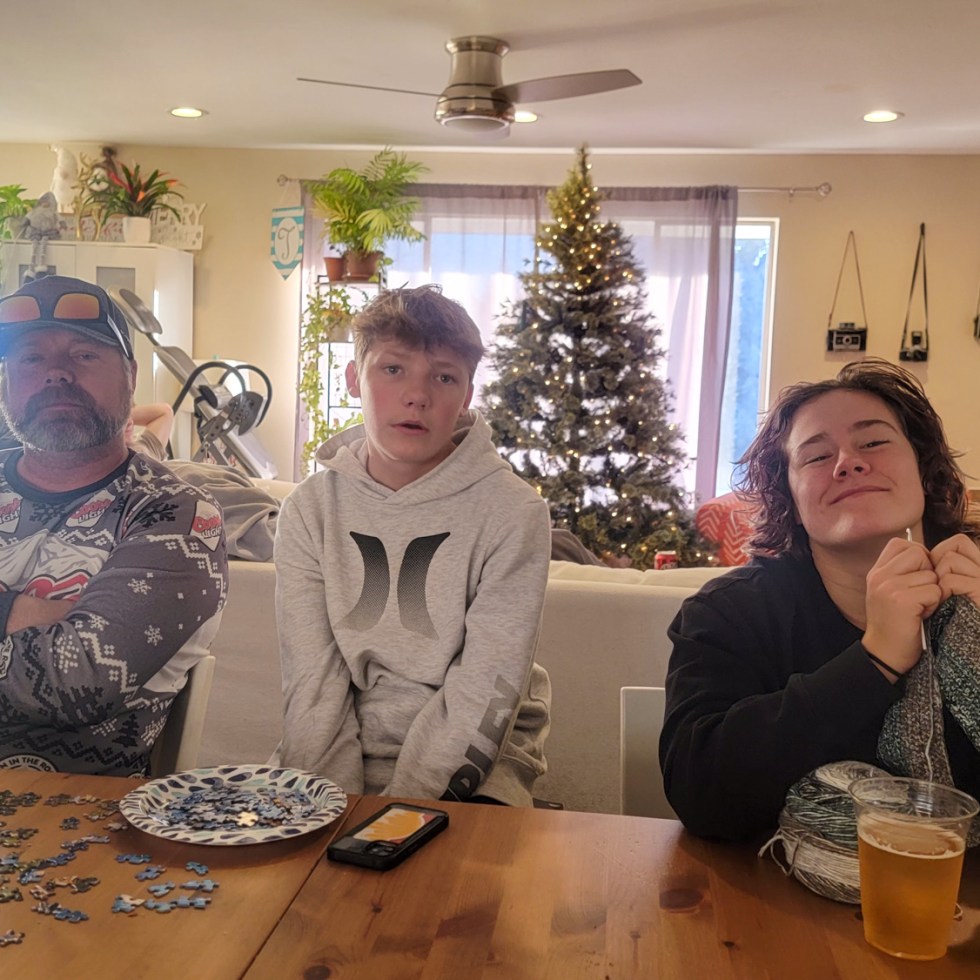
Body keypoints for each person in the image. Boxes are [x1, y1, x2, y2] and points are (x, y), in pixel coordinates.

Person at [660, 358, 980, 840]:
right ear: (789, 500)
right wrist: (874, 661)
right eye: (815, 456)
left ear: (924, 470)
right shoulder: (728, 612)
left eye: (873, 442)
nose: (848, 462)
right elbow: (699, 790)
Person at [274, 284, 552, 805]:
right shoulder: (309, 510)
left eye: (444, 377)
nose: (417, 395)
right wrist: (328, 808)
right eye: (393, 369)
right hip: (340, 756)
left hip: (477, 760)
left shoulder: (515, 512)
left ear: (466, 396)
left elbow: (485, 689)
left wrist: (398, 816)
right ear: (354, 379)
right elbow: (313, 682)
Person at [0, 275, 228, 775]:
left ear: (130, 375)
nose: (56, 374)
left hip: (64, 810)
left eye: (83, 355)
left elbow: (79, 679)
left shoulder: (176, 514)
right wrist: (31, 614)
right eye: (31, 359)